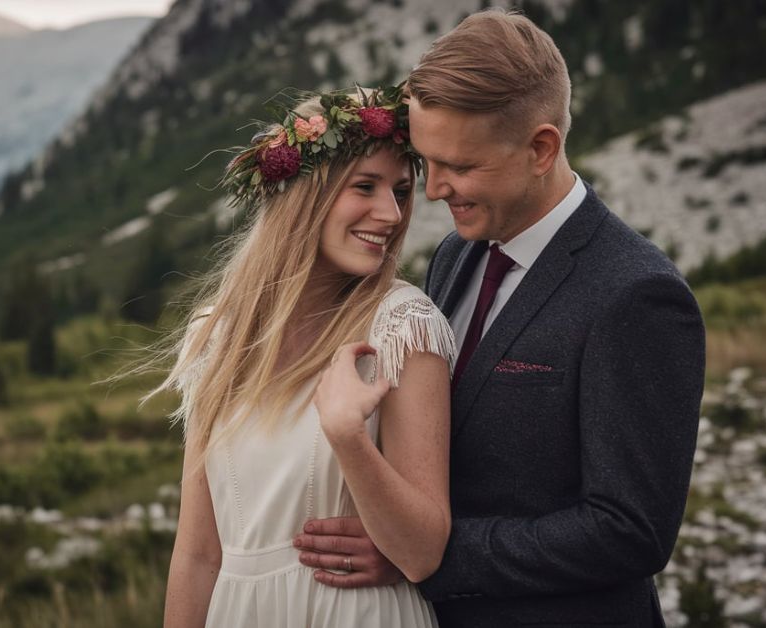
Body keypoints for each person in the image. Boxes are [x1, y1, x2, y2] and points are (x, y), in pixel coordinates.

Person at [294, 10, 706, 627]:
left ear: (542, 148)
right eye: (427, 163)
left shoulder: (636, 294)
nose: (434, 191)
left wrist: (429, 558)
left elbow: (630, 531)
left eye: (459, 167)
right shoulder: (457, 256)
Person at [150, 85, 457, 628]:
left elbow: (422, 552)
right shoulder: (217, 335)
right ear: (305, 194)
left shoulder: (403, 325)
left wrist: (348, 436)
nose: (390, 214)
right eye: (365, 186)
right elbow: (198, 555)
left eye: (402, 191)